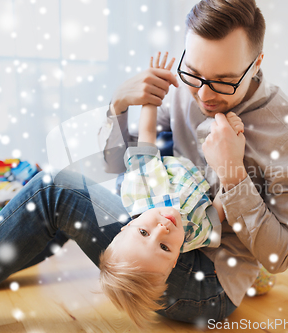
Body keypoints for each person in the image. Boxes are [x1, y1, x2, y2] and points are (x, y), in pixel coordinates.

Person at [0, 0, 288, 329]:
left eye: (222, 81)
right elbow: (118, 168)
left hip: (207, 284)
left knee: (53, 190)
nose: (203, 95)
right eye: (194, 73)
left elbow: (280, 257)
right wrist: (118, 108)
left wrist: (235, 175)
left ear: (256, 65)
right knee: (68, 194)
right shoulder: (188, 91)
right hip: (158, 225)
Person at [99, 52, 251, 328]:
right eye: (164, 247)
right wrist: (233, 144)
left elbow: (147, 137)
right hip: (198, 175)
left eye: (144, 232)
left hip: (166, 166)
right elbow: (222, 203)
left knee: (156, 145)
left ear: (125, 226)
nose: (162, 229)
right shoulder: (193, 235)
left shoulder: (142, 190)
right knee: (212, 138)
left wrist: (151, 98)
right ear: (174, 264)